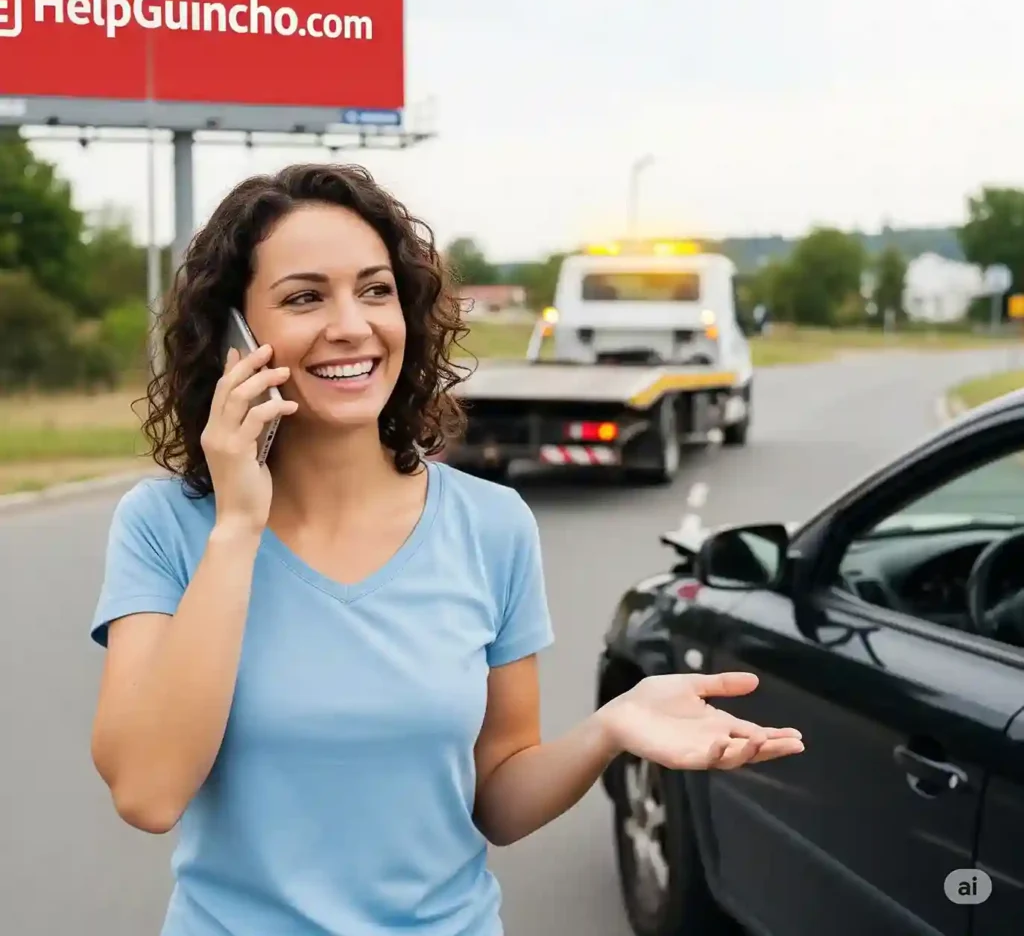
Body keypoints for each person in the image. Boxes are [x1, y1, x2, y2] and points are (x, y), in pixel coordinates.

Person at [88, 163, 804, 936]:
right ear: (233, 335)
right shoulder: (164, 527)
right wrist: (236, 527)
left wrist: (610, 729)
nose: (352, 325)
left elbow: (498, 797)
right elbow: (148, 794)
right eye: (304, 298)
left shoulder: (491, 524)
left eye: (375, 290)